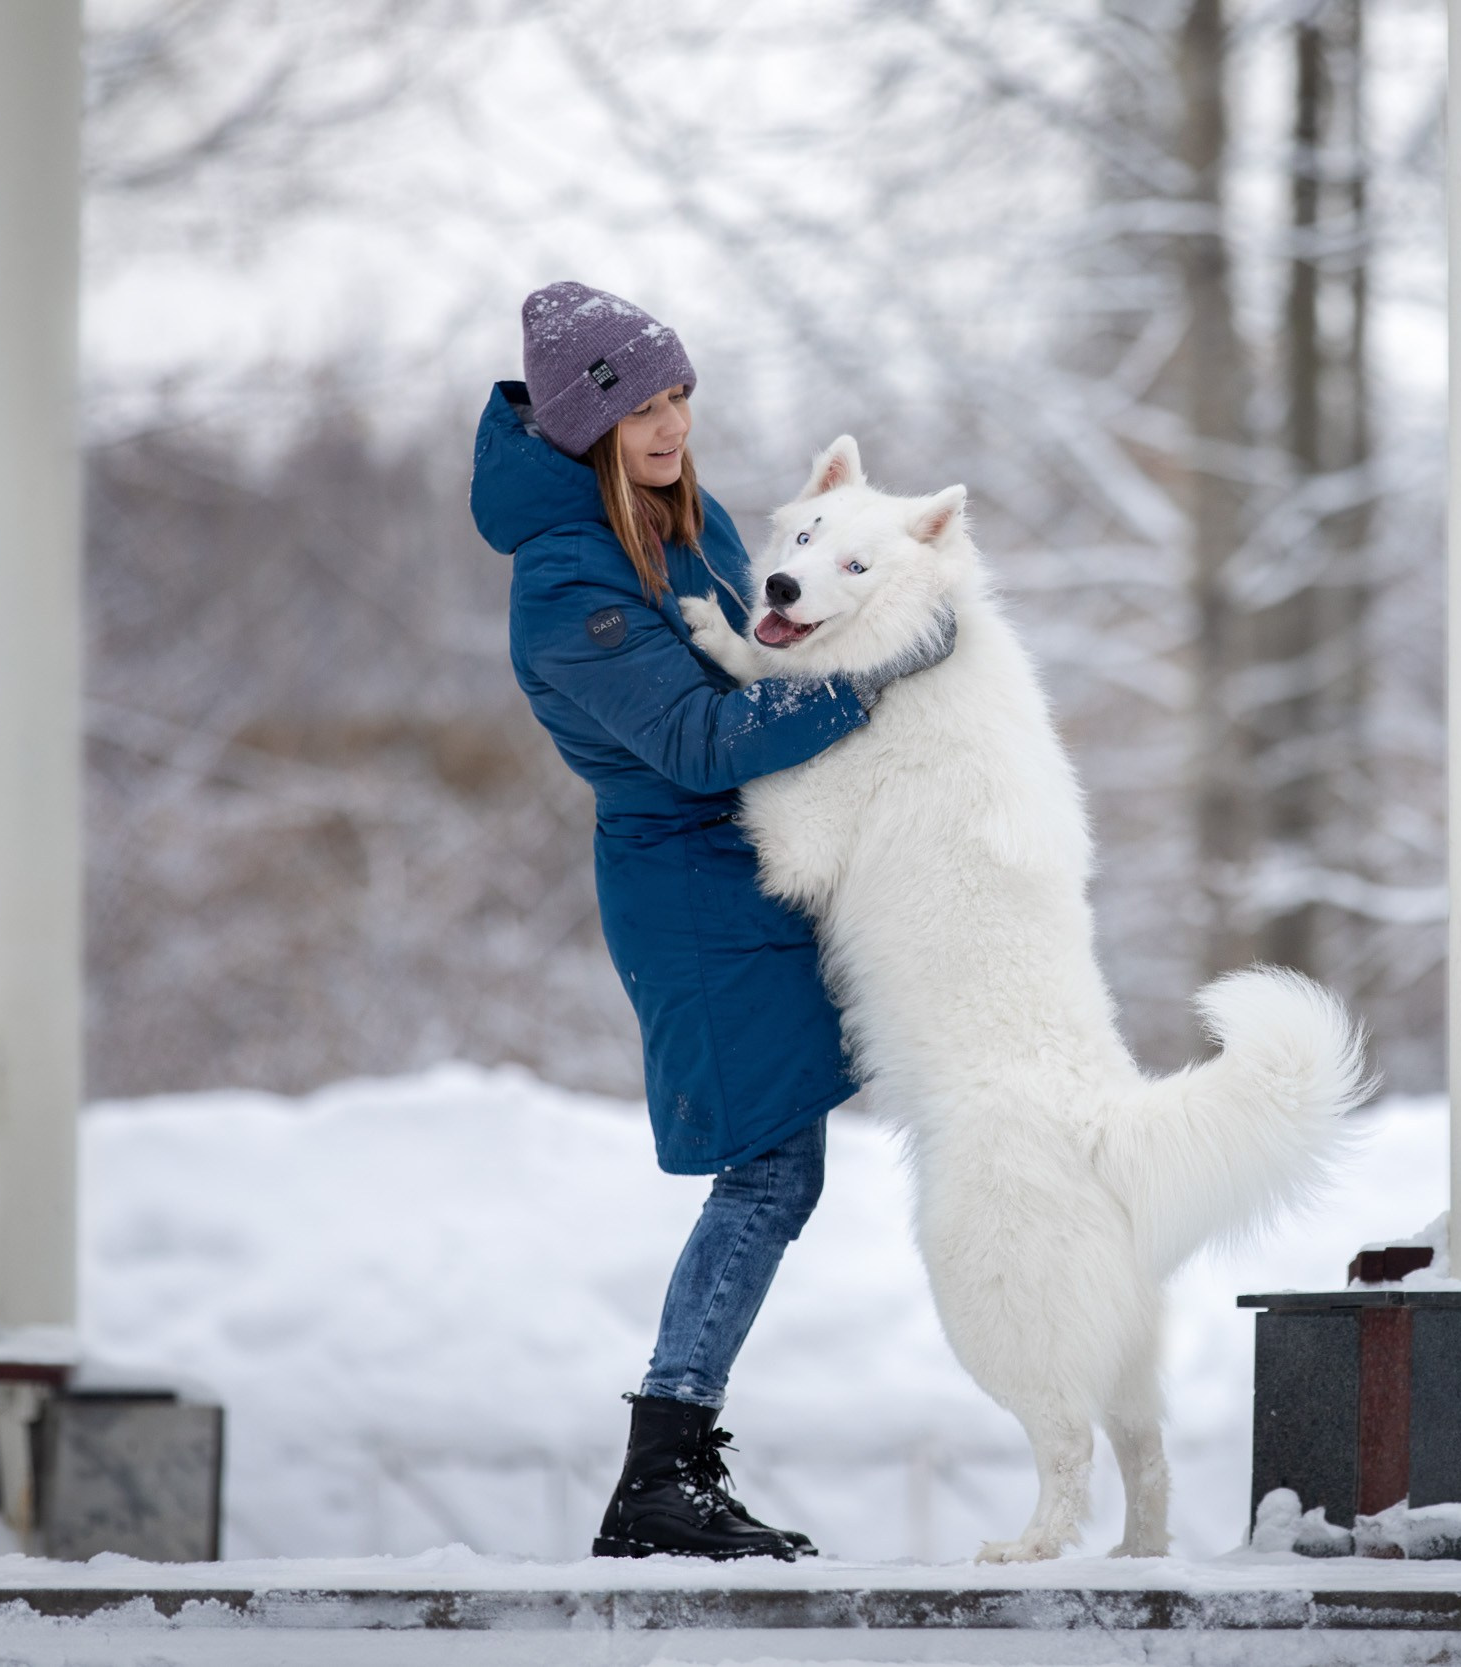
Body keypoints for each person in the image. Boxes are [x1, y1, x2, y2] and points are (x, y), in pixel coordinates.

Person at [469, 282, 951, 1561]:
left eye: (681, 393)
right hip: (688, 890)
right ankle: (659, 1474)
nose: (672, 421)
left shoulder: (689, 523)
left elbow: (766, 651)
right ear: (585, 419)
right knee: (768, 1168)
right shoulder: (565, 581)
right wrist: (870, 673)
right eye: (642, 403)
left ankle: (670, 1465)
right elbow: (693, 741)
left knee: (783, 1167)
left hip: (760, 867)